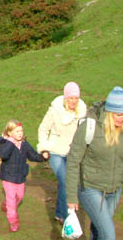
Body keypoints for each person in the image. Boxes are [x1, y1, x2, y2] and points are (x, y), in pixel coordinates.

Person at [66, 87, 123, 239]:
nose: (122, 118)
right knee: (109, 235)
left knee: (99, 231)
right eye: (118, 114)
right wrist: (71, 196)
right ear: (109, 112)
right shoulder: (90, 126)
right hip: (90, 188)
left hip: (114, 190)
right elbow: (73, 160)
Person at [37, 82, 87, 223]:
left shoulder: (82, 112)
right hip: (56, 150)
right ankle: (67, 218)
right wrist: (44, 148)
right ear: (65, 98)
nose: (73, 101)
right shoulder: (55, 111)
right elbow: (43, 129)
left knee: (69, 183)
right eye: (71, 98)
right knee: (65, 180)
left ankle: (59, 212)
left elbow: (85, 133)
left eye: (76, 98)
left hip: (73, 152)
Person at [0, 120, 49, 232]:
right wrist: (11, 143)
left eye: (21, 131)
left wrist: (42, 157)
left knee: (19, 197)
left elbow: (32, 155)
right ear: (10, 133)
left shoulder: (24, 144)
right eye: (17, 131)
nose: (20, 133)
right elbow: (2, 154)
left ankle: (6, 204)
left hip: (20, 177)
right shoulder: (6, 143)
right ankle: (13, 222)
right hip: (8, 177)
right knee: (12, 200)